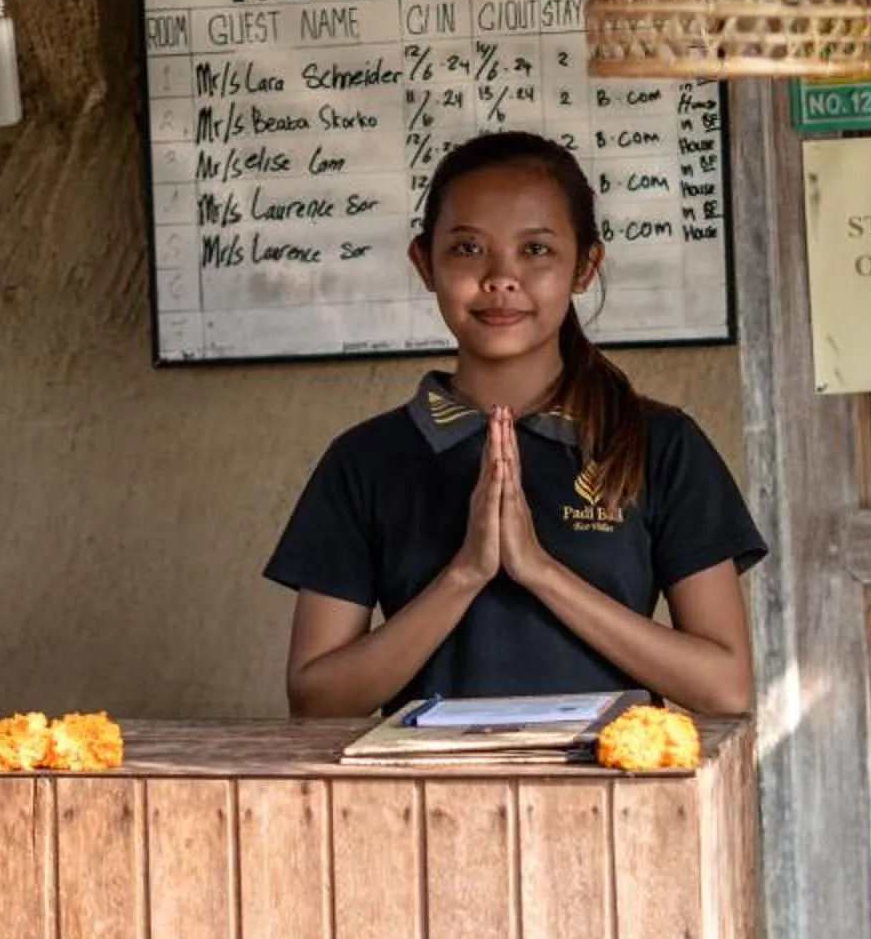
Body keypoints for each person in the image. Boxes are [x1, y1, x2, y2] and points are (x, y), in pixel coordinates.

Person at [267, 129, 766, 717]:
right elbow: (316, 699)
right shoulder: (365, 460)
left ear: (585, 265)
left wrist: (539, 571)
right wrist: (466, 573)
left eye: (536, 250)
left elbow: (725, 688)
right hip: (424, 800)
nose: (501, 278)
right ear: (423, 263)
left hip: (611, 797)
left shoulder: (660, 445)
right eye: (468, 249)